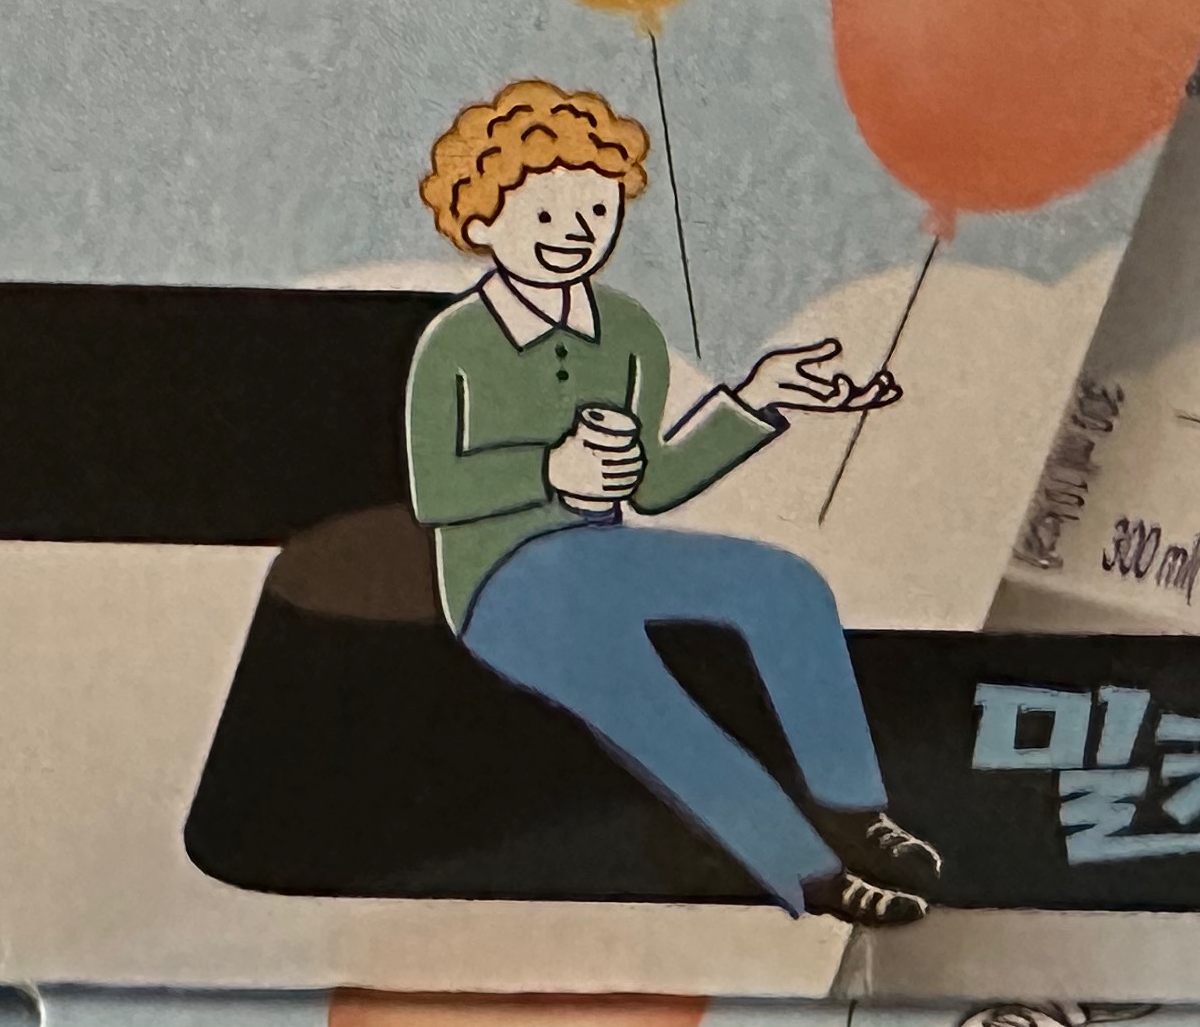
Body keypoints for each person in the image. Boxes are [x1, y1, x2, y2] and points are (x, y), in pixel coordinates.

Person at [404, 81, 945, 928]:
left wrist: (759, 400)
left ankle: (854, 807)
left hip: (601, 553)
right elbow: (436, 489)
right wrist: (550, 470)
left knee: (786, 584)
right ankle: (812, 875)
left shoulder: (625, 329)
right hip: (499, 584)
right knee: (640, 693)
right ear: (480, 224)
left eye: (596, 209)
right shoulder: (455, 342)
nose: (574, 230)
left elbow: (654, 482)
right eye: (544, 213)